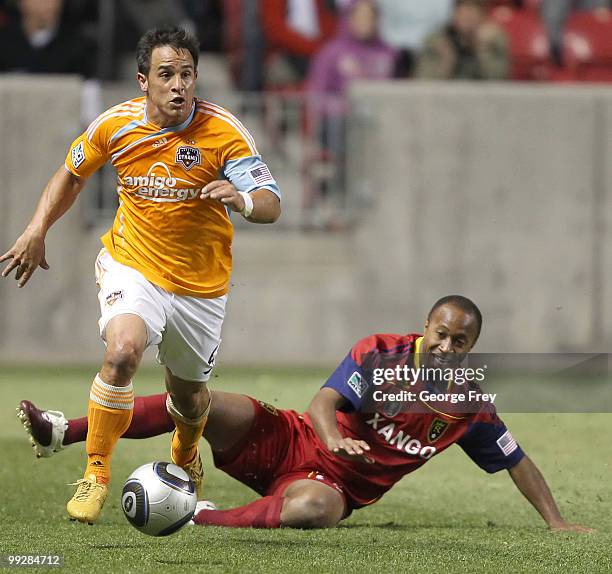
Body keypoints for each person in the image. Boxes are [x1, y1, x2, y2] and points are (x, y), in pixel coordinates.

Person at [1, 26, 281, 525]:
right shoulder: (115, 126)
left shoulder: (225, 132)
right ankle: (96, 473)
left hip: (201, 285)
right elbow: (71, 173)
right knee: (122, 352)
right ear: (142, 81)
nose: (179, 85)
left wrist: (241, 200)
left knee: (189, 397)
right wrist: (36, 228)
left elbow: (270, 203)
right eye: (167, 75)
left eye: (187, 74)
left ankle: (185, 451)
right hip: (133, 264)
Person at [17, 296, 591, 532]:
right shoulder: (381, 353)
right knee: (199, 402)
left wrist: (558, 523)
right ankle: (62, 431)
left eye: (459, 343)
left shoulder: (470, 405)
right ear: (426, 329)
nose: (446, 348)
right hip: (293, 437)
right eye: (440, 334)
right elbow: (324, 404)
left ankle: (196, 516)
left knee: (312, 509)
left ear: (470, 349)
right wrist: (332, 438)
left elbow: (518, 461)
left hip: (331, 485)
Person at [306, 0, 396, 214]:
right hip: (340, 128)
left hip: (380, 128)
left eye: (370, 17)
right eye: (360, 16)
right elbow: (316, 94)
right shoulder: (331, 52)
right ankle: (339, 198)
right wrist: (343, 108)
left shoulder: (389, 54)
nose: (365, 23)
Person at [416, 0, 509, 80]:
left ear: (482, 15)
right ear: (455, 13)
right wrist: (446, 61)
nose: (469, 14)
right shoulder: (436, 41)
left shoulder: (493, 40)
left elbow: (499, 81)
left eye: (474, 9)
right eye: (464, 9)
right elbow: (424, 82)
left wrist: (483, 50)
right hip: (444, 97)